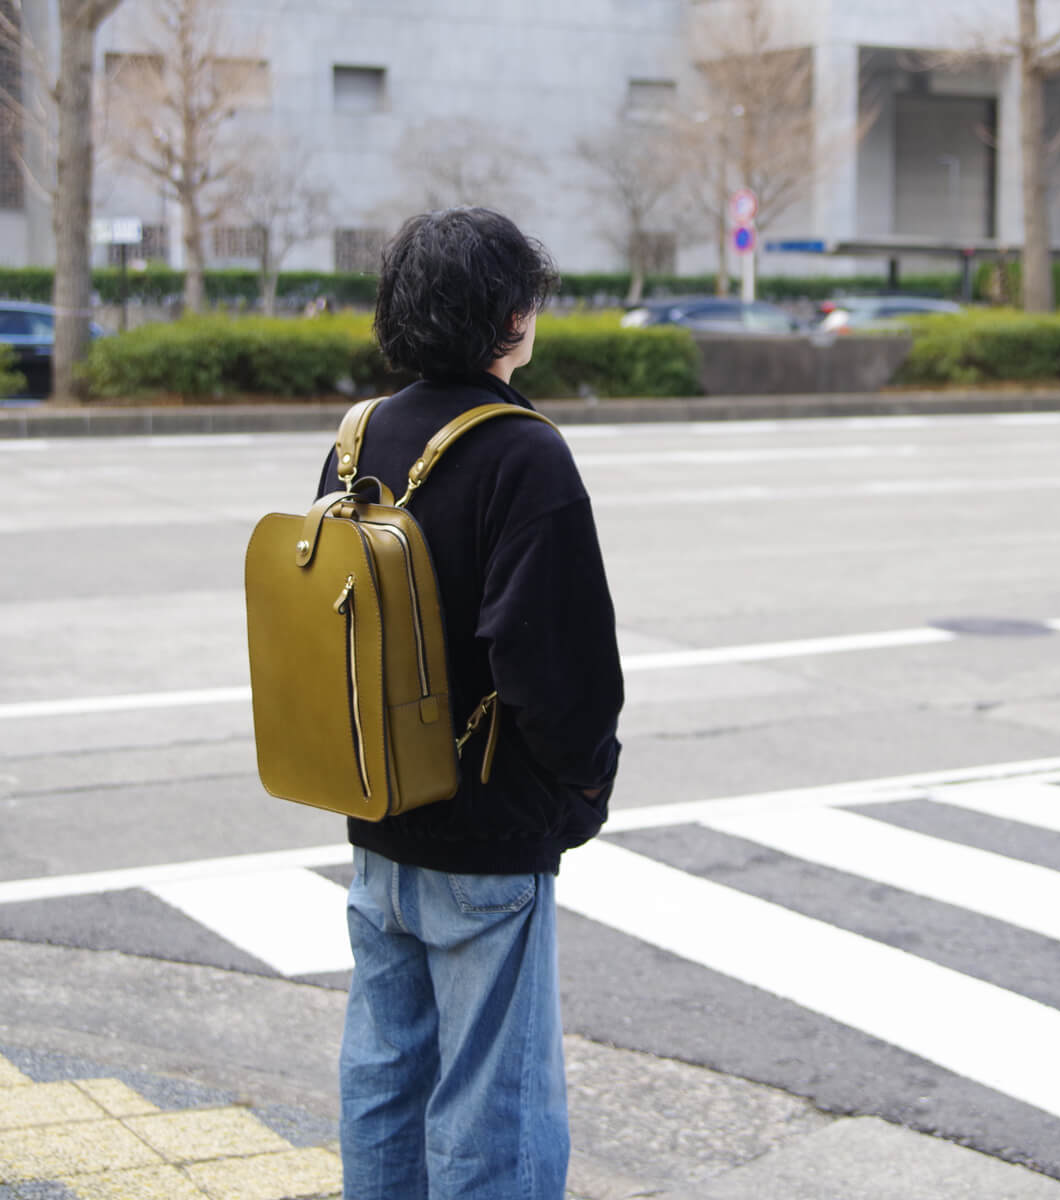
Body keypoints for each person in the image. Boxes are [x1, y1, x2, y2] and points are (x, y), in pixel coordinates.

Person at [325, 207, 624, 1200]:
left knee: (385, 1073)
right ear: (511, 317)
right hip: (489, 829)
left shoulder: (358, 436)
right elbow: (558, 663)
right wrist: (584, 789)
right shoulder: (522, 452)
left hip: (378, 808)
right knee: (495, 1103)